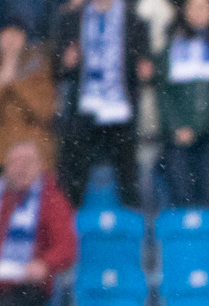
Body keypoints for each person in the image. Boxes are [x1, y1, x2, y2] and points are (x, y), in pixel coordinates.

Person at [52, 0, 152, 208]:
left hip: (120, 107)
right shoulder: (72, 19)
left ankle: (131, 229)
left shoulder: (134, 20)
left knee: (127, 176)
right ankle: (71, 227)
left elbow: (146, 64)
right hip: (86, 106)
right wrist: (65, 62)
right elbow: (55, 66)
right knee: (74, 173)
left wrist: (145, 70)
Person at [0, 142, 77, 306]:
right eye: (15, 162)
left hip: (27, 287)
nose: (21, 168)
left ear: (39, 166)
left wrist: (44, 264)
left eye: (28, 162)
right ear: (6, 166)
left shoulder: (51, 200)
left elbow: (66, 246)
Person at [155, 0, 209, 208]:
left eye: (204, 7)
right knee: (180, 186)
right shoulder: (172, 45)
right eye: (194, 7)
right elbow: (164, 93)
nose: (199, 13)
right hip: (179, 135)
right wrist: (176, 126)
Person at [0, 17, 56, 178]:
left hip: (33, 155)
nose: (10, 41)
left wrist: (17, 83)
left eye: (16, 36)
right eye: (6, 36)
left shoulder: (38, 68)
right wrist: (0, 83)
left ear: (24, 39)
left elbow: (45, 112)